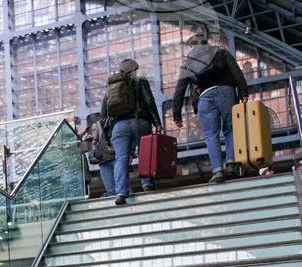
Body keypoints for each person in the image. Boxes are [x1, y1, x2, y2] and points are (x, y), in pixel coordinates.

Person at [172, 34, 249, 183]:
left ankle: (218, 171)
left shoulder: (188, 62)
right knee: (230, 130)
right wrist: (243, 92)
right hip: (227, 92)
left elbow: (179, 90)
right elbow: (237, 72)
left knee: (211, 135)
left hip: (205, 98)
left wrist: (177, 115)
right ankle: (232, 165)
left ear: (193, 46)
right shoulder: (221, 52)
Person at [100, 58, 163, 205]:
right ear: (133, 70)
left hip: (118, 127)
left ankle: (121, 193)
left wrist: (108, 139)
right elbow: (149, 101)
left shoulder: (110, 88)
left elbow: (103, 117)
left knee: (121, 159)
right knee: (144, 153)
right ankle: (146, 183)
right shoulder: (140, 80)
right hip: (140, 122)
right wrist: (157, 122)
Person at [84, 116, 116, 198]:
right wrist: (96, 153)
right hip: (103, 160)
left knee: (123, 187)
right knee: (111, 190)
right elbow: (96, 141)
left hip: (116, 157)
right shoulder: (100, 124)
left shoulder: (118, 120)